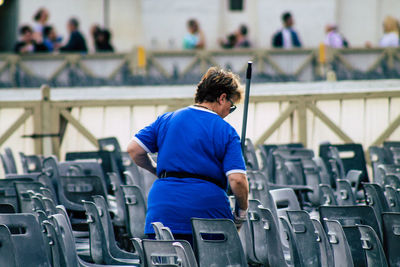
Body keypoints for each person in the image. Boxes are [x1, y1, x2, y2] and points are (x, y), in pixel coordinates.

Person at [127, 67, 249, 244]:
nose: (229, 113)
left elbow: (134, 149)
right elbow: (237, 180)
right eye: (232, 107)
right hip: (207, 214)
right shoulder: (225, 130)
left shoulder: (166, 119)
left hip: (162, 212)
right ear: (222, 98)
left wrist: (156, 170)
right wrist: (242, 212)